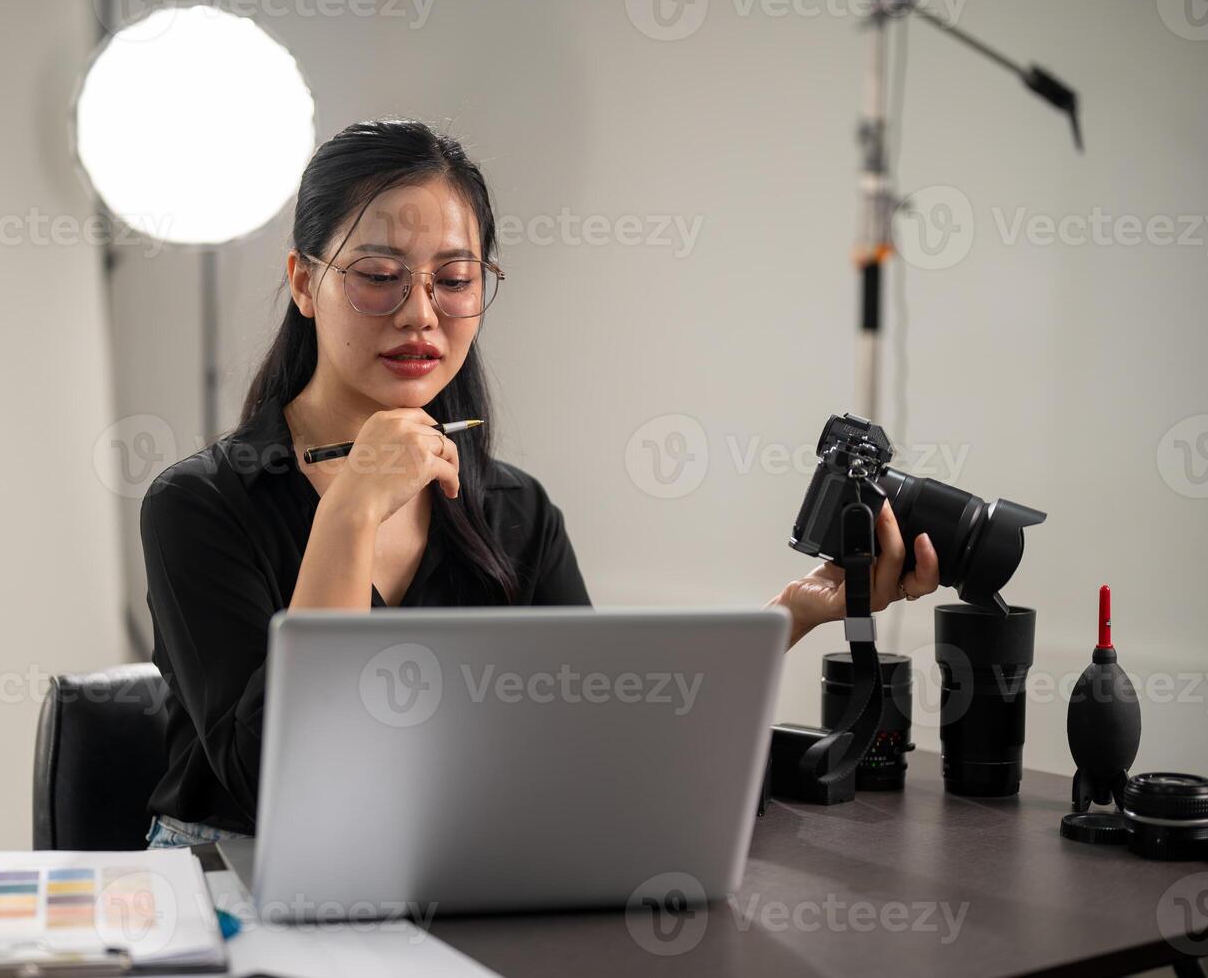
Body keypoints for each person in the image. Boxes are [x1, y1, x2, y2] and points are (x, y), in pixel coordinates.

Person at [141, 118, 939, 850]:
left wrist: (799, 610)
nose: (419, 313)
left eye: (453, 280)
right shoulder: (201, 506)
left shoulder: (516, 512)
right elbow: (286, 784)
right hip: (239, 884)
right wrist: (348, 511)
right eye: (378, 274)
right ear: (302, 282)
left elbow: (592, 738)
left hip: (447, 876)